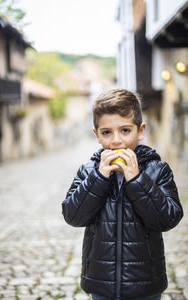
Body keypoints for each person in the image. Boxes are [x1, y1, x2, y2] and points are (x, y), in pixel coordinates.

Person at [62, 89, 183, 300]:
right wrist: (98, 179)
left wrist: (137, 180)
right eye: (107, 132)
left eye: (125, 130)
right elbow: (73, 216)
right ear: (97, 135)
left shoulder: (158, 170)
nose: (116, 140)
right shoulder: (88, 171)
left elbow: (168, 219)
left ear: (140, 131)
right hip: (101, 284)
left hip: (146, 285)